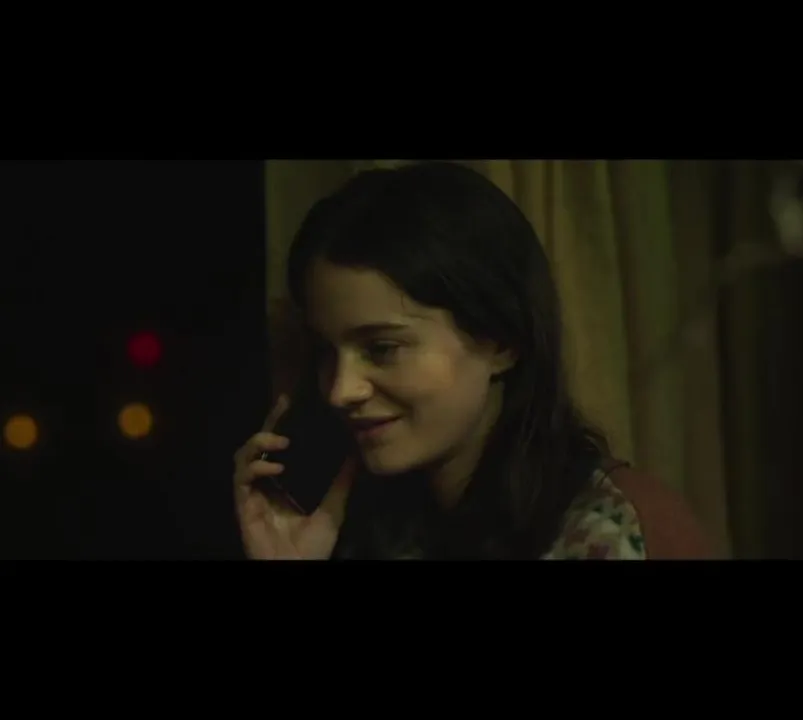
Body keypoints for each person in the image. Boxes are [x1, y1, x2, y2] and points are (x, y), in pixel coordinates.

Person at [233, 161, 714, 560]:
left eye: (382, 349)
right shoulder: (378, 527)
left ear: (500, 340)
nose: (341, 390)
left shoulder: (607, 531)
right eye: (325, 352)